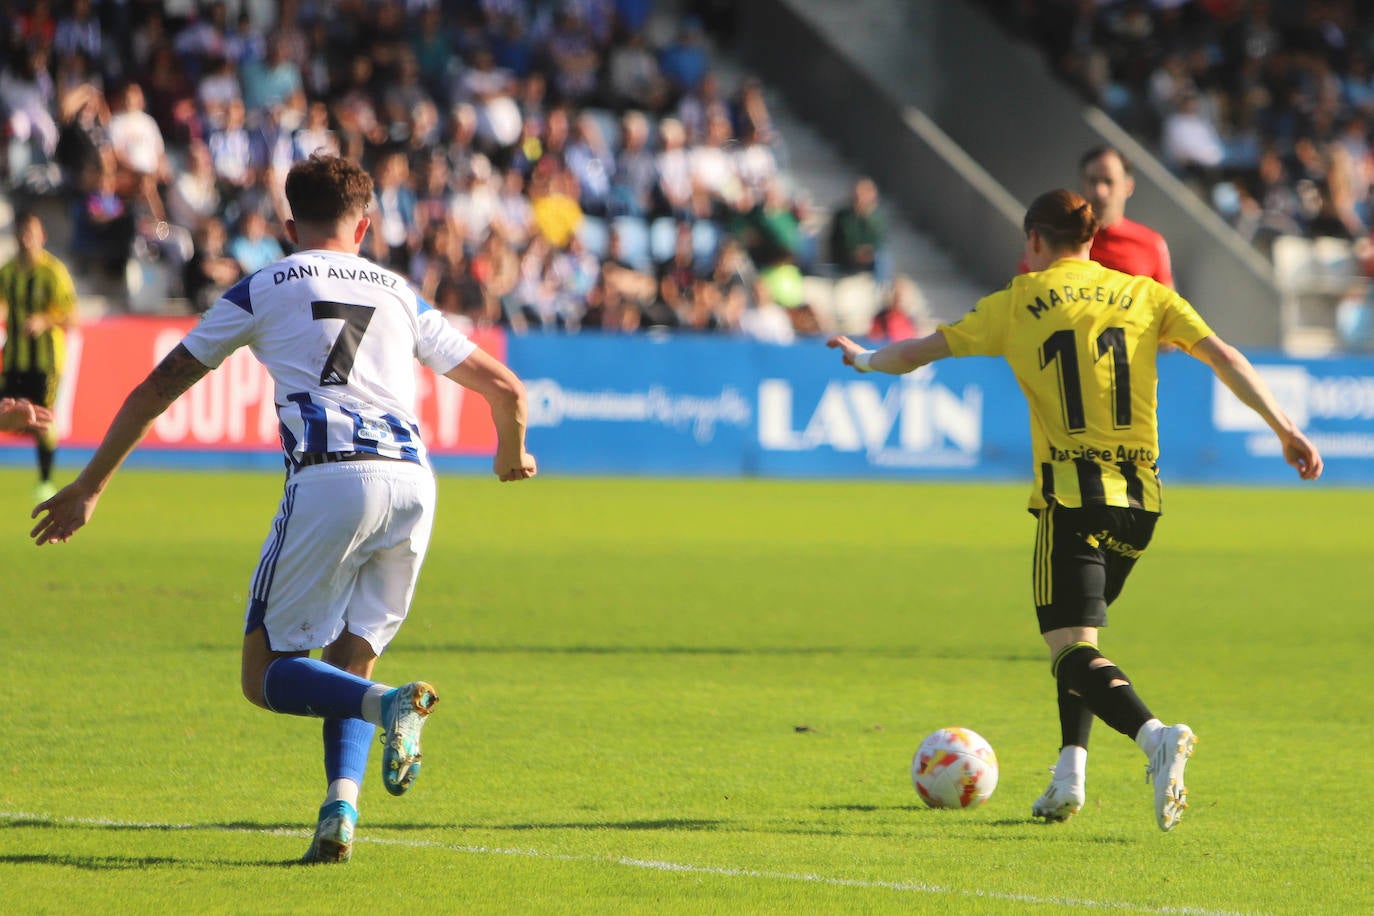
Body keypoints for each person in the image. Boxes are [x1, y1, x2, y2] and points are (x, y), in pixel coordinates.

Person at [31, 153, 537, 863]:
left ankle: (392, 707)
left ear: (290, 225)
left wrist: (89, 487)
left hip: (331, 479)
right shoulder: (398, 292)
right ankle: (340, 813)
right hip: (413, 486)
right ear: (364, 225)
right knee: (349, 658)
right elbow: (508, 390)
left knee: (264, 674)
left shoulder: (263, 285)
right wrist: (509, 453)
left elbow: (156, 389)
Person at [828, 189, 1322, 832]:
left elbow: (916, 352)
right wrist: (1285, 428)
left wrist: (863, 358)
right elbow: (1225, 356)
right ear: (1091, 240)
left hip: (1071, 498)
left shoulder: (1017, 301)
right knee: (1084, 642)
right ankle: (1069, 777)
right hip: (1141, 504)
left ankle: (1154, 737)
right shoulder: (1145, 294)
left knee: (1067, 652)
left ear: (1035, 239)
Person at [0, 210, 77, 501]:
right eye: (21, 232)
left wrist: (44, 321)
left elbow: (72, 318)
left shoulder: (53, 272)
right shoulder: (7, 272)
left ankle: (45, 481)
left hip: (45, 362)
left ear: (42, 236)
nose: (25, 238)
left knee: (42, 420)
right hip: (13, 358)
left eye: (31, 232)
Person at [1077, 145, 1174, 287]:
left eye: (1108, 182)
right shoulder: (1059, 235)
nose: (1100, 191)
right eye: (1093, 181)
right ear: (1082, 184)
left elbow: (1166, 306)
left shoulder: (1151, 244)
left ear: (1128, 187)